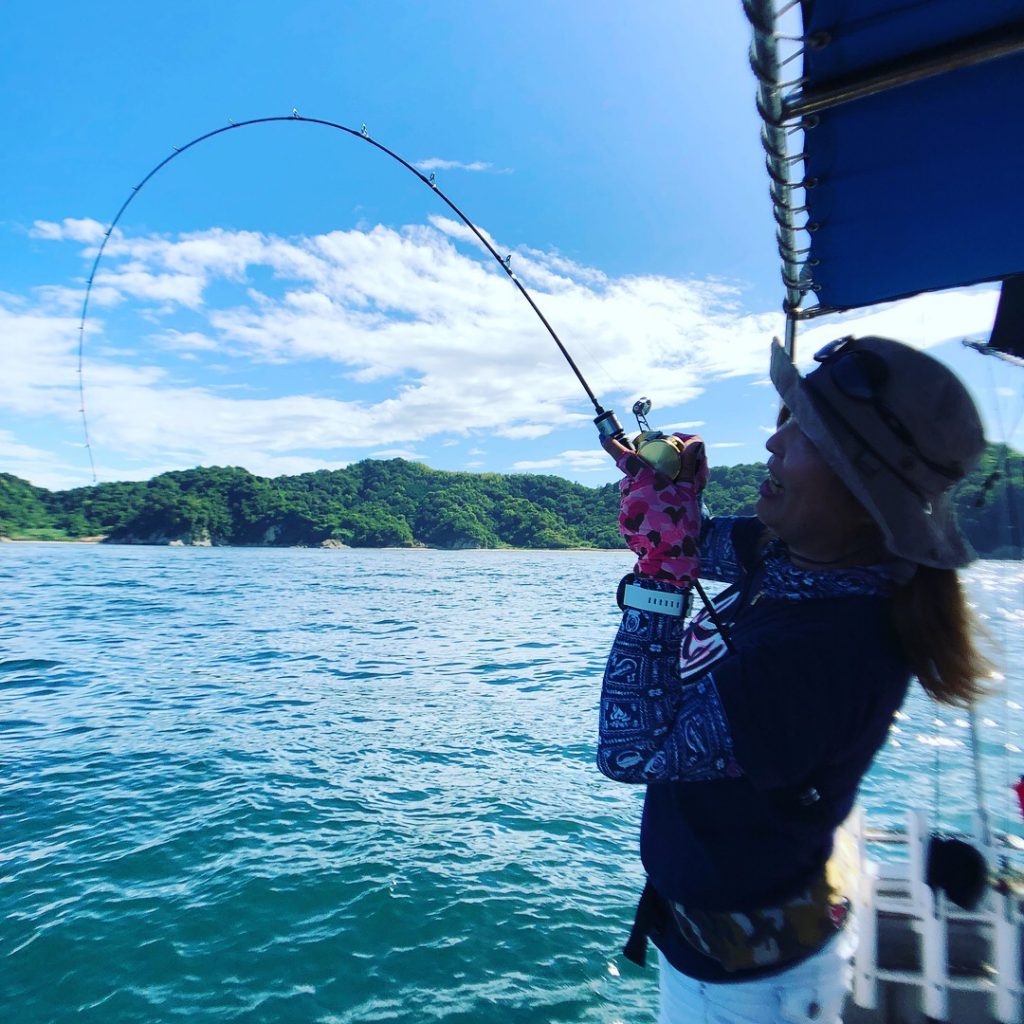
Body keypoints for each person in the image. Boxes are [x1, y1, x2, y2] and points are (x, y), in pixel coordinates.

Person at [596, 335, 991, 1024]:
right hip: (720, 950)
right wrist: (665, 488)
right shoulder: (802, 554)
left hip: (752, 990)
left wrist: (660, 581)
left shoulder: (828, 654)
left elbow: (631, 750)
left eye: (802, 433)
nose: (773, 447)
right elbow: (700, 540)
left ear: (863, 487)